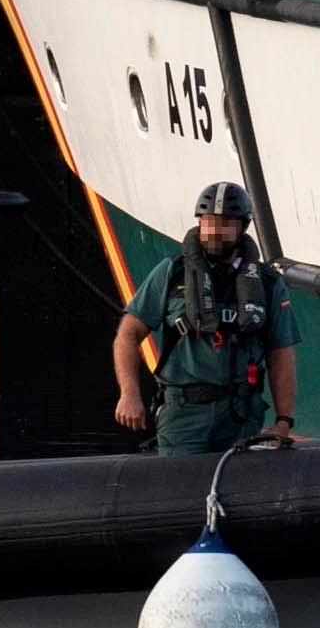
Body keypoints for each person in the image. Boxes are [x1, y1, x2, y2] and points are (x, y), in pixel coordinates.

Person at [114, 180, 297, 455]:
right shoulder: (171, 273)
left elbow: (280, 353)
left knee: (242, 490)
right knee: (180, 492)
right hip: (184, 415)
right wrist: (129, 393)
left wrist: (283, 421)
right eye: (208, 222)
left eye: (225, 224)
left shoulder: (266, 283)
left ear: (242, 227)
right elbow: (128, 334)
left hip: (241, 415)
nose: (214, 231)